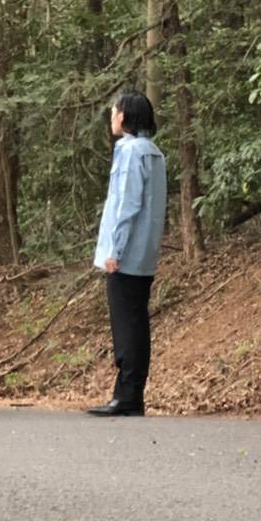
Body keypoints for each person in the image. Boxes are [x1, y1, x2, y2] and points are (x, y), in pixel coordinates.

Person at [86, 90, 167, 417]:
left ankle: (128, 396)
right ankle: (131, 392)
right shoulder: (154, 152)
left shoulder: (131, 152)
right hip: (145, 251)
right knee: (136, 321)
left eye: (114, 112)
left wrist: (114, 249)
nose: (111, 118)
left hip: (126, 253)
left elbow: (126, 205)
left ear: (124, 116)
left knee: (127, 325)